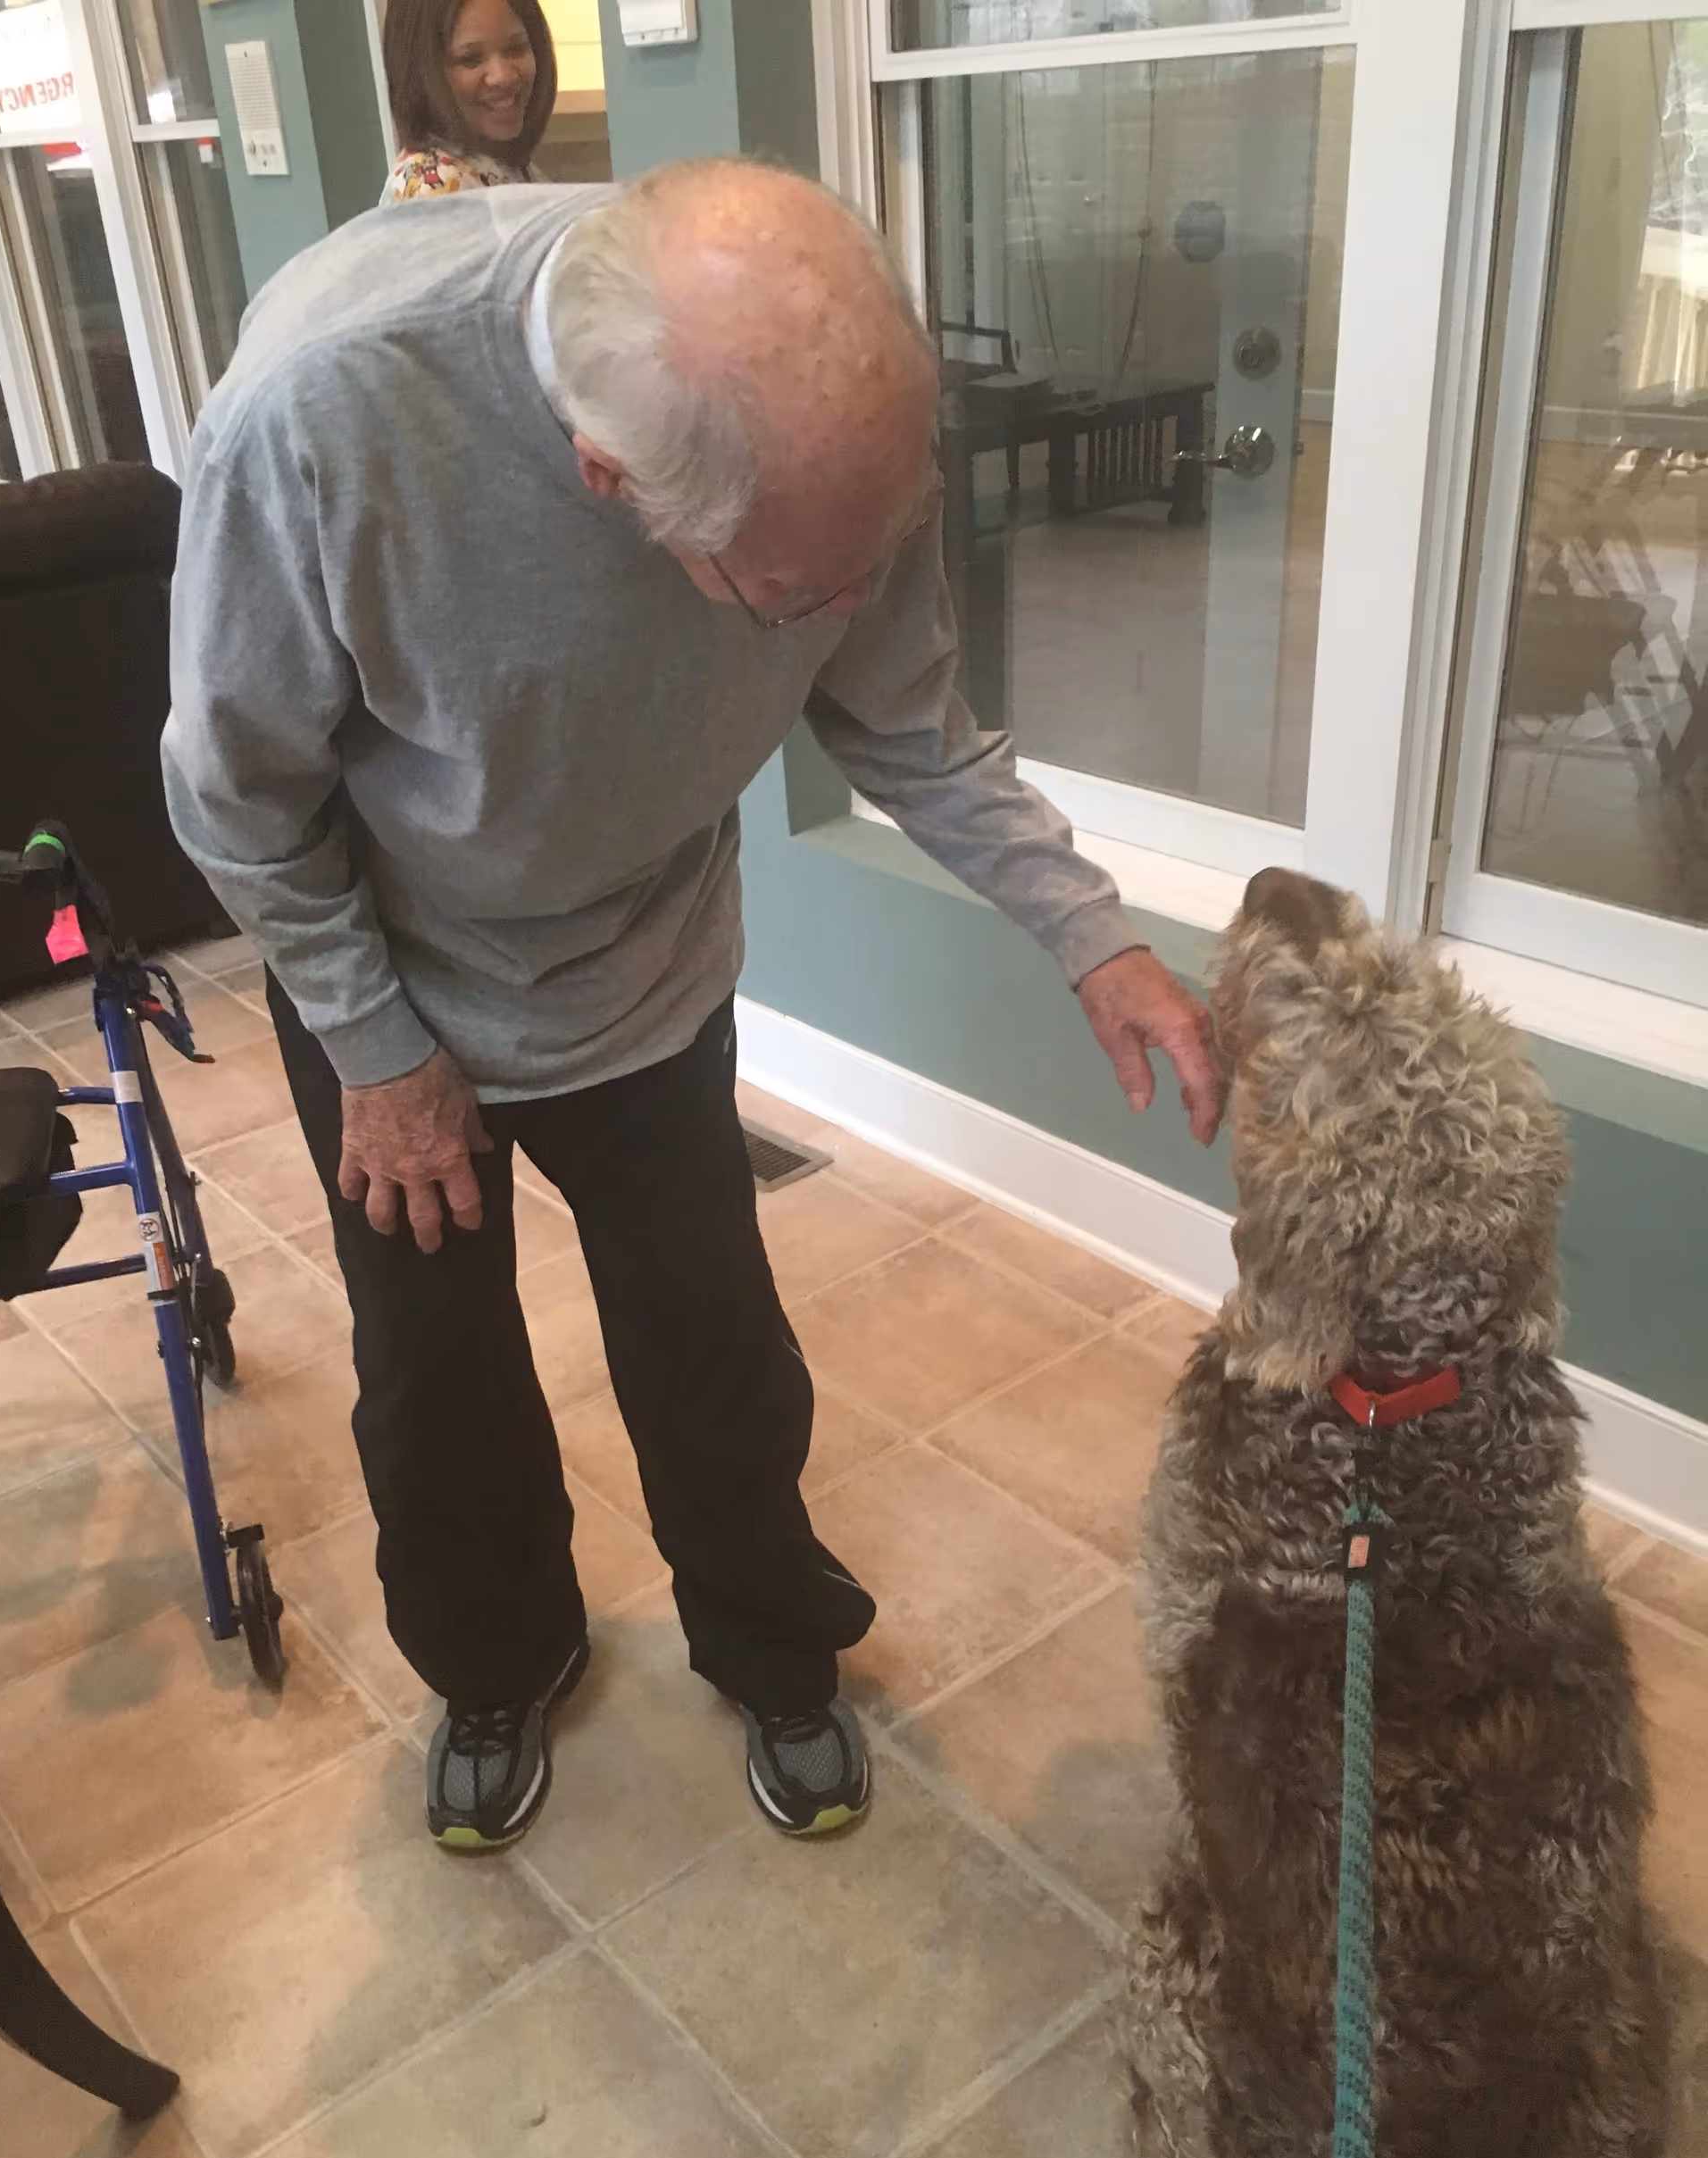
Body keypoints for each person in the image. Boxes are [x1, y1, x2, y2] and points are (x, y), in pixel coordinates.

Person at [162, 159, 1222, 1856]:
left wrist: (1094, 937)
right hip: (399, 986)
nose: (836, 611)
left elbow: (911, 723)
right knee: (435, 1378)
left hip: (649, 970)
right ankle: (497, 1661)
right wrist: (376, 1049)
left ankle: (767, 1640)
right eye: (795, 590)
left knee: (713, 1340)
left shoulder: (826, 426)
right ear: (607, 481)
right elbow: (232, 799)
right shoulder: (323, 419)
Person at [379, 0, 554, 204]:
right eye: (470, 59)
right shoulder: (435, 186)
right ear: (420, 73)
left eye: (516, 48)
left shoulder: (504, 162)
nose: (503, 76)